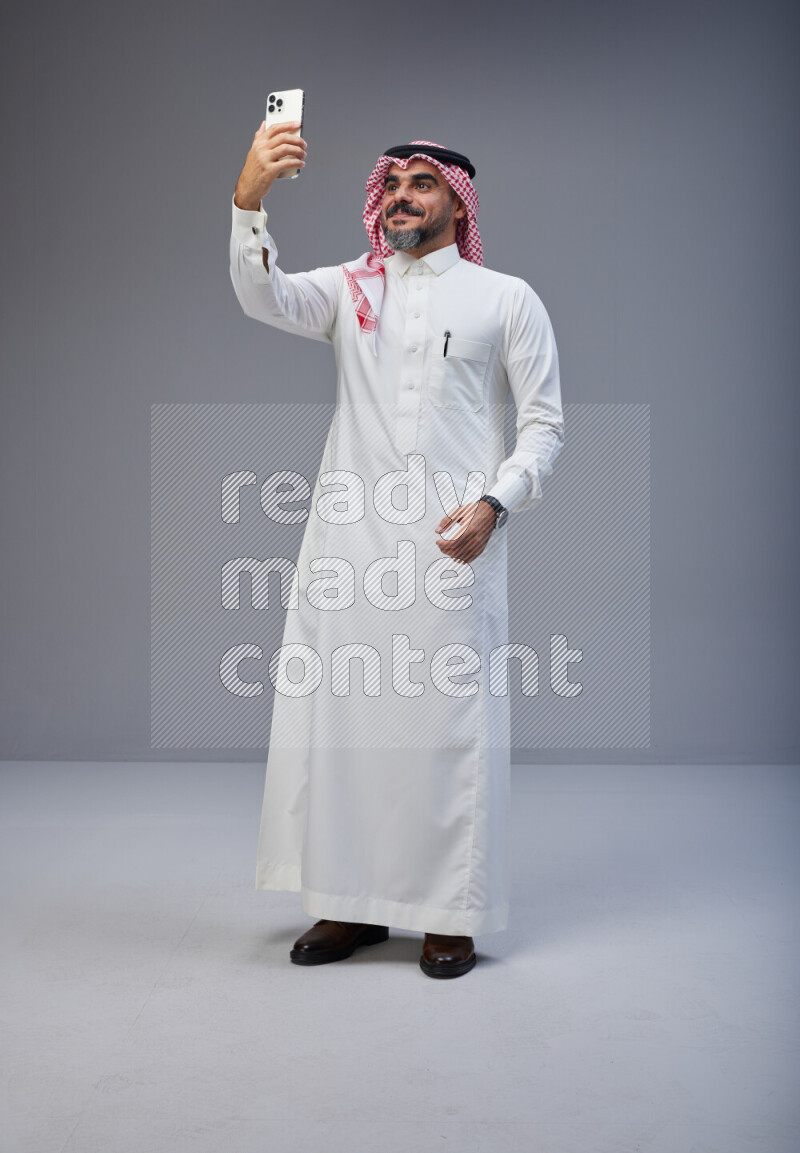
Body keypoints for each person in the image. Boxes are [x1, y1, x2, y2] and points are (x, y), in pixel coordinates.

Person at [229, 121, 564, 978]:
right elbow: (263, 298)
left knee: (447, 728)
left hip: (453, 543)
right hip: (349, 543)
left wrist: (495, 504)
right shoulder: (352, 289)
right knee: (345, 724)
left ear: (459, 202)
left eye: (422, 184)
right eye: (393, 186)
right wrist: (248, 203)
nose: (402, 198)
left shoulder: (505, 298)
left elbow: (544, 427)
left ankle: (448, 912)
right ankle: (347, 907)